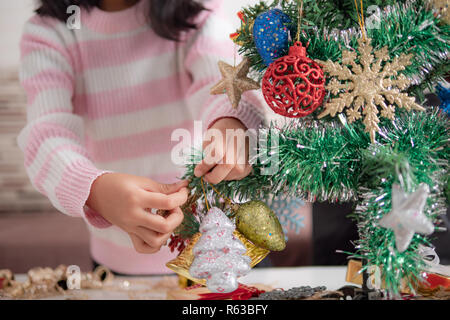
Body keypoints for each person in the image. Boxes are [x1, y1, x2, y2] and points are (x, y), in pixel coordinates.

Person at [17, 0, 265, 275]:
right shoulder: (51, 31)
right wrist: (94, 190)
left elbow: (222, 82)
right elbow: (46, 134)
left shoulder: (196, 11)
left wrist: (231, 122)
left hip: (227, 250)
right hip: (120, 263)